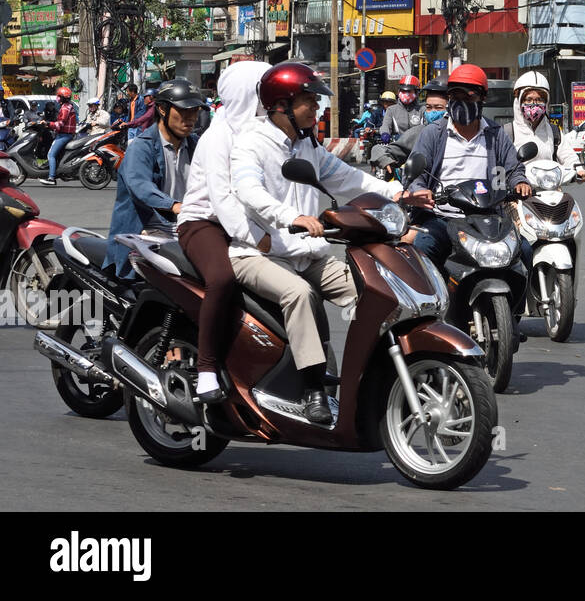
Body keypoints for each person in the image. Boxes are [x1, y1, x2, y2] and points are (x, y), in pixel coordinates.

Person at [228, 63, 431, 424]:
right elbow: (248, 191)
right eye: (309, 101)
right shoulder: (250, 143)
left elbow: (348, 179)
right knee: (299, 295)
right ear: (281, 105)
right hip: (257, 253)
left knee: (377, 290)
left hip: (308, 253)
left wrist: (398, 193)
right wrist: (289, 217)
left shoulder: (308, 145)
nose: (316, 109)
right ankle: (312, 390)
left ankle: (380, 372)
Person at [175, 60, 271, 403]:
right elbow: (223, 201)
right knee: (223, 279)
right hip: (203, 223)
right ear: (247, 94)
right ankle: (206, 368)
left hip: (247, 223)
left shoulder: (262, 132)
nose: (270, 101)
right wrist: (258, 238)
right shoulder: (218, 136)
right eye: (264, 93)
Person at [405, 62, 532, 268]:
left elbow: (513, 167)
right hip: (443, 218)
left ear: (483, 98)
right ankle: (431, 300)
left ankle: (527, 301)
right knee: (423, 249)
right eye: (455, 97)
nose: (461, 102)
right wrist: (420, 190)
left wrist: (520, 182)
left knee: (524, 251)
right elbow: (416, 174)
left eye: (468, 97)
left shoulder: (495, 133)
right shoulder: (433, 133)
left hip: (487, 219)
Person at [104, 78, 204, 280]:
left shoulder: (196, 145)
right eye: (184, 111)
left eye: (195, 111)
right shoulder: (143, 146)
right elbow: (140, 186)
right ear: (163, 110)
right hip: (146, 233)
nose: (191, 118)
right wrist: (175, 206)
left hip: (186, 228)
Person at [507, 71, 585, 179]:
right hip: (519, 189)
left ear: (546, 102)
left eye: (539, 99)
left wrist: (579, 170)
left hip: (549, 186)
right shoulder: (508, 132)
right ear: (519, 102)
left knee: (567, 197)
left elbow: (568, 155)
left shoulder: (553, 131)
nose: (534, 104)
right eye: (529, 99)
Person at [39, 87, 79, 186]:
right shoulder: (68, 106)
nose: (57, 98)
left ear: (63, 98)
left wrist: (48, 124)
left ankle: (51, 178)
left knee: (50, 155)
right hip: (65, 134)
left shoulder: (65, 108)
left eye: (59, 96)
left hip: (64, 135)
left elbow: (60, 123)